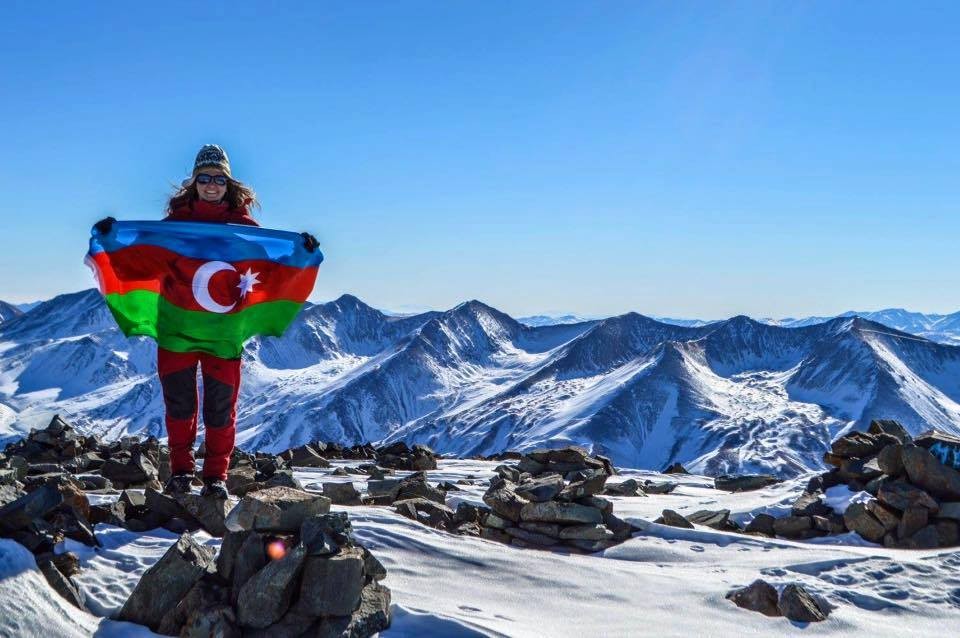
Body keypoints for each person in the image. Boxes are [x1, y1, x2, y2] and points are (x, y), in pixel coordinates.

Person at [96, 144, 318, 498]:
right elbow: (139, 257)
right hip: (177, 332)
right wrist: (111, 239)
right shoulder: (175, 228)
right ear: (194, 181)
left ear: (228, 183)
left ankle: (216, 477)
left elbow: (272, 270)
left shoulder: (244, 230)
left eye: (218, 178)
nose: (211, 184)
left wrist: (300, 254)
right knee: (180, 407)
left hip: (223, 336)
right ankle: (182, 473)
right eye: (204, 178)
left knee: (220, 410)